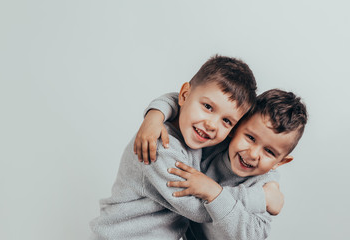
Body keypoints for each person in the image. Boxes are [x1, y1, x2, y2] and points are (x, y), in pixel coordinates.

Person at [90, 55, 275, 240]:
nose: (212, 124)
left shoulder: (197, 136)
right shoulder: (161, 146)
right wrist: (260, 198)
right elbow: (198, 210)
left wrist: (158, 110)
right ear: (185, 95)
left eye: (226, 121)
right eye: (208, 107)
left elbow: (266, 150)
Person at [135, 88, 308, 239]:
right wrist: (155, 115)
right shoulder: (215, 141)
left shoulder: (264, 192)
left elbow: (251, 236)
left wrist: (215, 194)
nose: (253, 154)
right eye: (250, 138)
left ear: (280, 162)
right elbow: (189, 100)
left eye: (269, 152)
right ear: (235, 126)